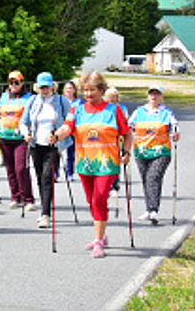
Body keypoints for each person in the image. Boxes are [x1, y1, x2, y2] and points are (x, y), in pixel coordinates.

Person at [49, 71, 132, 258]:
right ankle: (101, 235)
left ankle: (98, 241)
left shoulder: (113, 110)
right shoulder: (76, 110)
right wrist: (57, 135)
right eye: (85, 90)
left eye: (92, 90)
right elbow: (67, 127)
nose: (88, 94)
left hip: (107, 164)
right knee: (91, 201)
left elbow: (127, 133)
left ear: (101, 90)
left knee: (99, 199)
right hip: (85, 164)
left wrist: (127, 151)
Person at [20, 72, 72, 228]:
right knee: (39, 178)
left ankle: (45, 214)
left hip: (53, 145)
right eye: (42, 87)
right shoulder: (32, 101)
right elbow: (23, 122)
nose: (44, 90)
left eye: (47, 86)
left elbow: (70, 121)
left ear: (52, 85)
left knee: (47, 178)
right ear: (37, 87)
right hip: (36, 144)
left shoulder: (61, 101)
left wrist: (58, 134)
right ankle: (44, 207)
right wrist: (25, 134)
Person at [128, 85, 180, 225]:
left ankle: (153, 210)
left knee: (153, 177)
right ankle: (148, 209)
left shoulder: (166, 112)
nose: (154, 96)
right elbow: (129, 125)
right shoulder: (139, 111)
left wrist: (175, 134)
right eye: (152, 93)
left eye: (157, 94)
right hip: (142, 151)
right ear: (148, 96)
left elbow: (174, 127)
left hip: (161, 152)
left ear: (161, 97)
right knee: (146, 179)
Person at [0, 70, 34, 210]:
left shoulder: (29, 98)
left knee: (21, 168)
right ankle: (15, 197)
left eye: (16, 82)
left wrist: (31, 133)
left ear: (22, 82)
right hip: (4, 138)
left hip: (21, 139)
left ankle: (28, 199)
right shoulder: (3, 97)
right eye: (11, 82)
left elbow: (32, 117)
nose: (13, 85)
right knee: (10, 169)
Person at [104, 87, 129, 198]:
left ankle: (115, 185)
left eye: (113, 96)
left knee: (115, 162)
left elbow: (126, 123)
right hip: (105, 139)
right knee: (105, 162)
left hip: (118, 139)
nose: (111, 99)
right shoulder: (102, 108)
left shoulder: (122, 108)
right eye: (109, 96)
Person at [62, 81, 83, 181]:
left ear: (74, 90)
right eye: (66, 88)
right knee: (57, 154)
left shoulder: (79, 102)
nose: (68, 90)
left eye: (70, 88)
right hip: (61, 129)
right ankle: (55, 174)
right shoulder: (61, 101)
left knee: (71, 154)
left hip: (73, 131)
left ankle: (69, 173)